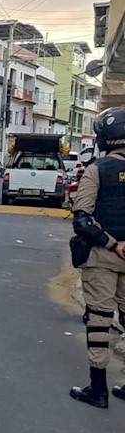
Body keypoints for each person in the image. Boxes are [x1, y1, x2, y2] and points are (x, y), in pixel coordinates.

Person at [69, 107, 125, 408]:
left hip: (102, 258)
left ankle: (98, 390)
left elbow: (82, 220)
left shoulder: (97, 169)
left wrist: (113, 244)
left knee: (99, 322)